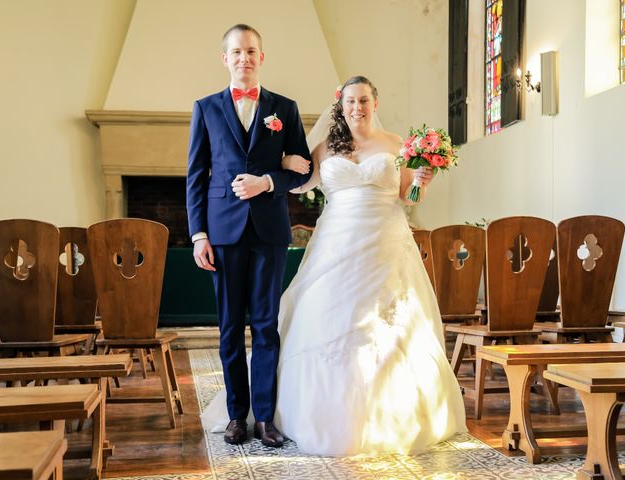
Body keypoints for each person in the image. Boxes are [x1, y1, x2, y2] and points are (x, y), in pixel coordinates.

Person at [202, 75, 467, 455]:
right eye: (350, 102)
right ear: (340, 107)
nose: (357, 107)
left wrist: (423, 180)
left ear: (375, 103)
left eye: (363, 100)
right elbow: (298, 184)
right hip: (336, 243)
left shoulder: (397, 145)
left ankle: (392, 412)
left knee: (388, 325)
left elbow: (409, 198)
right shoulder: (326, 147)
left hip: (386, 244)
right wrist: (275, 164)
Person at [186, 24, 311, 448]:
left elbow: (302, 171)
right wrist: (199, 233)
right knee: (228, 328)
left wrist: (267, 182)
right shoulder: (205, 108)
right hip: (221, 231)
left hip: (269, 231)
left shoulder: (285, 108)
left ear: (262, 56)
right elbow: (195, 176)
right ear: (225, 59)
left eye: (251, 51)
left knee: (265, 327)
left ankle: (264, 419)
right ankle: (236, 415)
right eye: (236, 52)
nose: (244, 58)